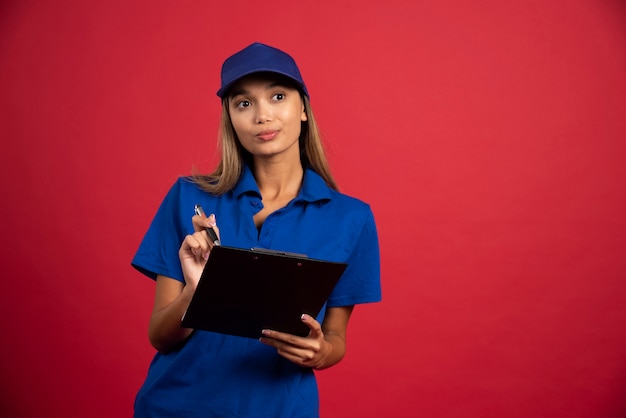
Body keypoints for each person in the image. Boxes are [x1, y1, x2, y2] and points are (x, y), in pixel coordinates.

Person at [131, 42, 381, 417]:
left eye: (277, 97)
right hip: (176, 405)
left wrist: (319, 352)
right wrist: (195, 294)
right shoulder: (187, 197)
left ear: (303, 110)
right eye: (243, 103)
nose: (262, 115)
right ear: (230, 118)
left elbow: (335, 339)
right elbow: (160, 337)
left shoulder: (351, 218)